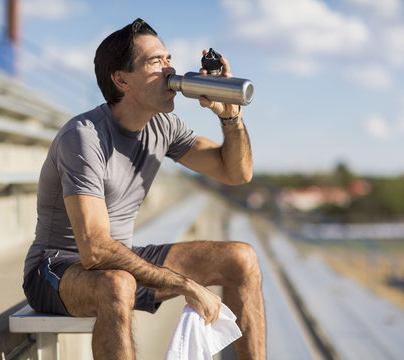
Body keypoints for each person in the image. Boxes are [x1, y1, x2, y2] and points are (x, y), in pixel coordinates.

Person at [22, 18, 266, 360]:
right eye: (155, 62)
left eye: (168, 59)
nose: (170, 70)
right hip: (57, 269)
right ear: (122, 80)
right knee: (117, 283)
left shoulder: (163, 125)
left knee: (242, 258)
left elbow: (236, 172)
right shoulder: (84, 136)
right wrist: (183, 283)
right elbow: (94, 251)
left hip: (121, 259)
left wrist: (230, 118)